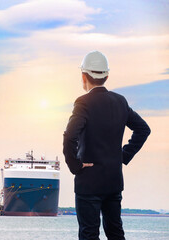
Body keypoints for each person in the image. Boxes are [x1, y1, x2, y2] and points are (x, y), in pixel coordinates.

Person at [63, 51, 151, 240]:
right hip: (113, 180)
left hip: (89, 181)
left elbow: (70, 135)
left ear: (83, 76)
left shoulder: (83, 103)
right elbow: (143, 130)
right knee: (116, 233)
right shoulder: (120, 101)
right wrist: (123, 156)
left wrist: (75, 165)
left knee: (89, 234)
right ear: (107, 76)